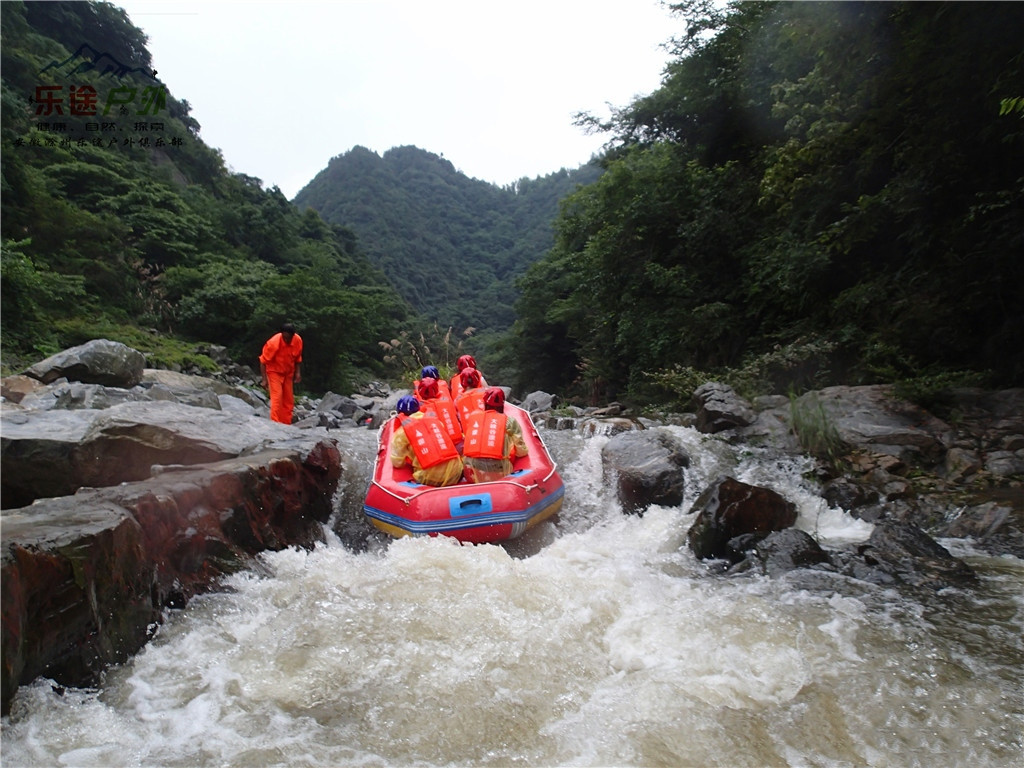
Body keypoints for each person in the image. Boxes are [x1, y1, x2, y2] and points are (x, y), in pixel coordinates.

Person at [389, 395, 464, 487]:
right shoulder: (436, 421)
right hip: (456, 472)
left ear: (400, 413)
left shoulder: (402, 432)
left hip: (430, 477)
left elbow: (397, 463)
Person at [462, 387, 528, 483]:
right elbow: (521, 451)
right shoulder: (509, 421)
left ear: (484, 402)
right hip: (499, 467)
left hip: (474, 466)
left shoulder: (474, 417)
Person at [259, 322, 303, 424]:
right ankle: (275, 423)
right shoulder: (273, 343)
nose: (286, 340)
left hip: (288, 373)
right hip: (274, 372)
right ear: (281, 334)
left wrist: (298, 373)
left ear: (293, 335)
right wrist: (264, 380)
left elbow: (297, 358)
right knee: (277, 398)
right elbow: (262, 361)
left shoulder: (298, 340)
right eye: (284, 338)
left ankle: (286, 424)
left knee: (288, 401)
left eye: (289, 338)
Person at [416, 376, 463, 450]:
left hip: (441, 448)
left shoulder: (420, 409)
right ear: (437, 389)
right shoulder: (446, 401)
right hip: (459, 444)